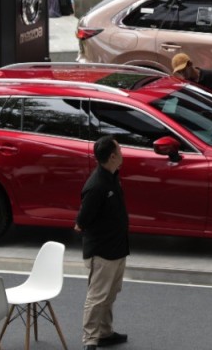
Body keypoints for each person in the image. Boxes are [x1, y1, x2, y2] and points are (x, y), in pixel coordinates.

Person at [76, 137, 130, 350]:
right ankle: (90, 340)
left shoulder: (112, 176)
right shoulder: (96, 185)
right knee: (97, 297)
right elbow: (81, 222)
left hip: (117, 248)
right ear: (112, 156)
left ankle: (105, 333)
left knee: (111, 293)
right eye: (120, 148)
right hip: (102, 252)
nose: (122, 150)